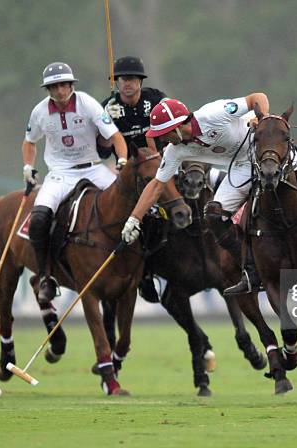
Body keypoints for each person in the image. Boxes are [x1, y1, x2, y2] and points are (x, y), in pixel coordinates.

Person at [119, 94, 297, 295]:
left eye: (164, 133)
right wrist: (134, 219)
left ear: (178, 127)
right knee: (213, 214)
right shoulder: (175, 151)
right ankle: (250, 269)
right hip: (241, 167)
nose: (162, 139)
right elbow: (156, 185)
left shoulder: (214, 113)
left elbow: (257, 97)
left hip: (267, 151)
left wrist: (259, 116)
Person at [22, 62, 128, 303]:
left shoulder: (87, 104)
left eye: (63, 85)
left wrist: (122, 160)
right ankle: (46, 276)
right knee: (39, 218)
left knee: (131, 204)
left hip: (93, 168)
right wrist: (28, 166)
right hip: (60, 173)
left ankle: (142, 269)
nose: (60, 91)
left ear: (71, 85)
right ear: (48, 89)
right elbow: (29, 141)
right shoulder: (39, 111)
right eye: (54, 87)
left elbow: (115, 136)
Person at [98, 56, 167, 303]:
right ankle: (144, 274)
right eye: (122, 79)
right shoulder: (108, 106)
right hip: (126, 176)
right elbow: (103, 151)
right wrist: (106, 130)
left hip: (160, 168)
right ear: (117, 82)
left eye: (132, 79)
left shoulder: (156, 99)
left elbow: (175, 118)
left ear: (140, 81)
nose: (127, 84)